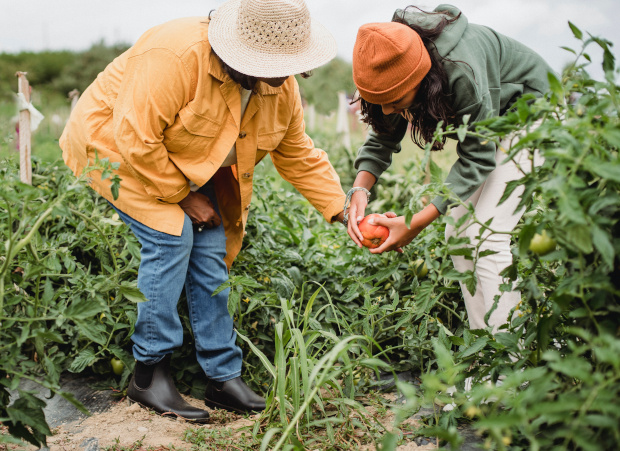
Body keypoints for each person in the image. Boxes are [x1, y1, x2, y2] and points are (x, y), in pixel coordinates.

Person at [60, 0, 346, 423]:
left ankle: (222, 376)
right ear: (243, 52)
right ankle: (148, 373)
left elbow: (297, 153)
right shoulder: (176, 56)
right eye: (275, 65)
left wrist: (343, 211)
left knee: (211, 248)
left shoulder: (278, 86)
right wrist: (184, 196)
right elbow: (136, 138)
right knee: (171, 235)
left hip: (185, 158)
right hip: (115, 148)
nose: (285, 76)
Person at [345, 4, 553, 332]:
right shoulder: (389, 59)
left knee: (486, 234)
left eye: (396, 100)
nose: (387, 109)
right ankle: (483, 353)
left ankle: (511, 364)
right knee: (457, 233)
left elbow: (477, 158)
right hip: (498, 125)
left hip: (535, 115)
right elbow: (383, 137)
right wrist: (360, 189)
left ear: (422, 80)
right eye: (379, 100)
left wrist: (413, 223)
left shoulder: (461, 69)